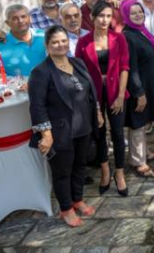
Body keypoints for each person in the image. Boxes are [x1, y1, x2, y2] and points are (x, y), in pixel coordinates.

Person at [29, 25, 101, 227]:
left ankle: (77, 199)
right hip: (59, 132)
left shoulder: (77, 63)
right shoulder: (41, 72)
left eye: (63, 41)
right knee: (62, 171)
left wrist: (97, 112)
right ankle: (66, 208)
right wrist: (46, 135)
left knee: (80, 165)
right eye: (55, 42)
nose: (60, 45)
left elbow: (90, 91)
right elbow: (37, 107)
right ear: (47, 45)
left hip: (83, 126)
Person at [75, 0, 130, 197]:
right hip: (93, 94)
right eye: (101, 16)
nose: (105, 20)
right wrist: (95, 106)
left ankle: (120, 173)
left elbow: (125, 67)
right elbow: (80, 73)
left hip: (116, 91)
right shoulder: (83, 42)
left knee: (117, 132)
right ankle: (105, 171)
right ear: (92, 17)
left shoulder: (119, 38)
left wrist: (121, 95)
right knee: (99, 134)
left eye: (108, 16)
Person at [120, 0, 154, 177]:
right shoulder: (127, 36)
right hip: (139, 87)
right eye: (133, 13)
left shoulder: (141, 31)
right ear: (125, 16)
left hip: (149, 84)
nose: (138, 15)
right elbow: (131, 68)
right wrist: (139, 93)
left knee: (144, 122)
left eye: (140, 12)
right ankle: (138, 161)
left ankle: (144, 152)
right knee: (137, 124)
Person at [0, 5, 46, 80]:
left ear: (30, 18)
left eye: (23, 16)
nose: (20, 21)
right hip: (20, 89)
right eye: (15, 18)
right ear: (7, 23)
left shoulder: (44, 35)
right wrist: (1, 78)